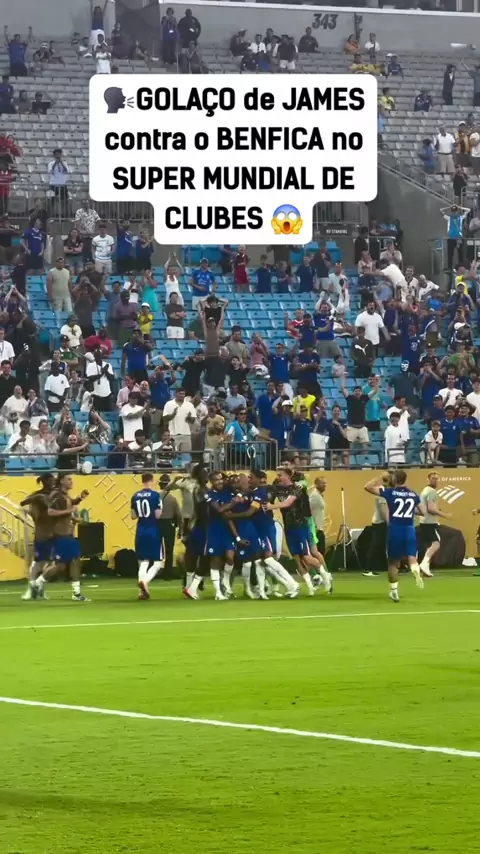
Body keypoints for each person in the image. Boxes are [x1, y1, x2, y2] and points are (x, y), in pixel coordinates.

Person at [267, 466, 332, 596]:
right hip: (288, 527)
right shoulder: (277, 489)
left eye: (280, 475)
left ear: (288, 476)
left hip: (301, 526)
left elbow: (287, 503)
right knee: (297, 559)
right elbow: (268, 497)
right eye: (277, 475)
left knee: (307, 557)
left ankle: (325, 575)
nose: (278, 477)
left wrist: (271, 506)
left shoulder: (297, 489)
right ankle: (310, 587)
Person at [364, 470, 425, 602]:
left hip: (395, 529)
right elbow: (423, 511)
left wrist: (380, 478)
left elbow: (367, 487)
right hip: (409, 529)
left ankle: (394, 591)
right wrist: (409, 510)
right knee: (412, 558)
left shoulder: (390, 492)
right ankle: (415, 569)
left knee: (393, 563)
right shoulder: (413, 493)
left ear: (394, 479)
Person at [31, 474, 89, 602]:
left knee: (73, 561)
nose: (71, 481)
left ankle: (76, 593)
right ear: (62, 481)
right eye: (69, 479)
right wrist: (70, 511)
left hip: (67, 535)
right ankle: (38, 582)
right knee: (62, 565)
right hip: (61, 535)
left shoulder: (63, 495)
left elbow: (68, 506)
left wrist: (75, 513)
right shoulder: (57, 495)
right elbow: (51, 512)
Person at [20, 473, 56, 600]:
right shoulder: (37, 496)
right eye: (50, 481)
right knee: (38, 562)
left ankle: (40, 588)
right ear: (44, 482)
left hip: (55, 533)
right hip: (42, 533)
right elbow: (26, 505)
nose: (53, 483)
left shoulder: (55, 495)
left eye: (53, 481)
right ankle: (31, 589)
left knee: (50, 563)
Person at [131, 472, 164, 600]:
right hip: (152, 530)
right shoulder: (155, 495)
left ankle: (141, 592)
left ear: (142, 481)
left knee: (143, 561)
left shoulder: (135, 496)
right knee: (158, 562)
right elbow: (157, 515)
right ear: (152, 480)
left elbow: (133, 516)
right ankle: (144, 582)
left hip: (140, 530)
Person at [418, 471, 451, 577]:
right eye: (433, 478)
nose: (435, 481)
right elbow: (431, 509)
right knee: (436, 544)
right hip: (429, 522)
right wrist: (445, 515)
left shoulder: (425, 490)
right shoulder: (431, 491)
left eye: (437, 479)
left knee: (431, 545)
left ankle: (425, 568)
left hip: (424, 521)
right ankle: (423, 564)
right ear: (428, 479)